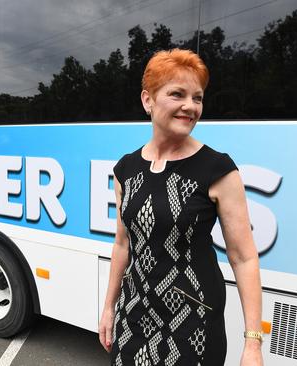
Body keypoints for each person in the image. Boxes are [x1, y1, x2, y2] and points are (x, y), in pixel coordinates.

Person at [98, 49, 263, 365]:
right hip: (133, 315)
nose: (190, 106)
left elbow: (244, 258)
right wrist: (109, 307)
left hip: (193, 322)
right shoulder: (125, 170)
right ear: (148, 100)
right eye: (177, 94)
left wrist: (252, 344)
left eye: (197, 98)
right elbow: (122, 245)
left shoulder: (218, 169)